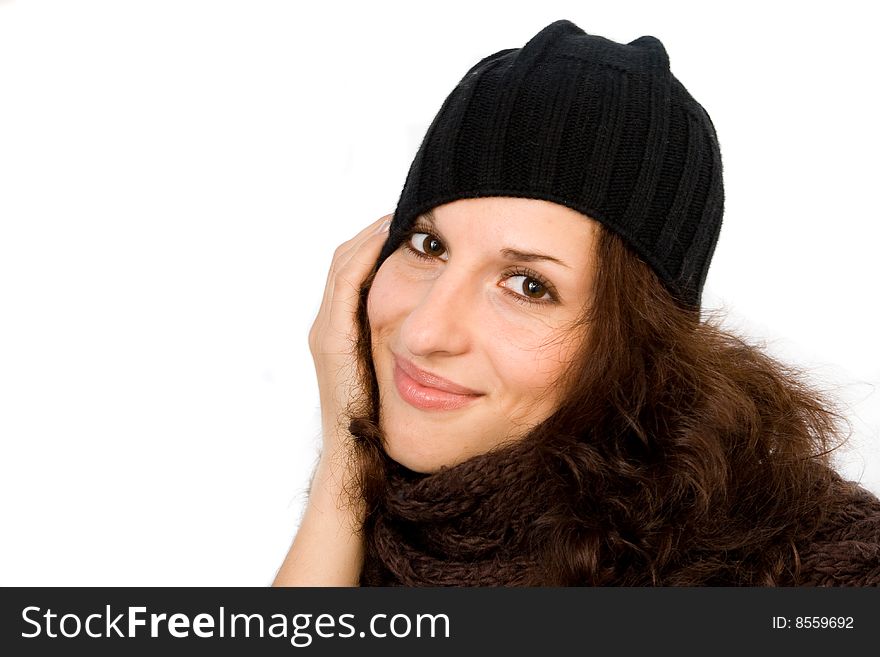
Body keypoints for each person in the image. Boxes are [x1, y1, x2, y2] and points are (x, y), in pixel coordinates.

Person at [273, 19, 880, 587]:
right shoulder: (399, 520)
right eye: (428, 246)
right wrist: (344, 468)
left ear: (639, 343)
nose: (427, 331)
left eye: (529, 286)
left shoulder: (820, 575)